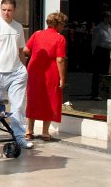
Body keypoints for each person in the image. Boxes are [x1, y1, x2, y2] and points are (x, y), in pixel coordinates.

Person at [0, 0, 32, 149]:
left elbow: (20, 51)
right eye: (4, 10)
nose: (6, 13)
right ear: (0, 9)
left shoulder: (18, 27)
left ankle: (19, 137)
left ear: (14, 10)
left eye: (9, 10)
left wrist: (25, 69)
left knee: (17, 107)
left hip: (16, 72)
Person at [24, 12, 68, 141]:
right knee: (50, 98)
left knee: (33, 98)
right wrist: (62, 78)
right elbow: (60, 59)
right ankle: (45, 132)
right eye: (63, 24)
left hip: (34, 71)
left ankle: (29, 130)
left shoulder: (37, 34)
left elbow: (26, 50)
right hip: (50, 72)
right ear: (58, 24)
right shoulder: (60, 38)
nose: (63, 27)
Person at [90, 11, 111, 101]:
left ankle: (104, 92)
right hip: (100, 51)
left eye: (109, 17)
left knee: (105, 72)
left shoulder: (109, 27)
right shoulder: (99, 28)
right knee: (97, 73)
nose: (109, 18)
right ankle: (95, 93)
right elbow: (94, 42)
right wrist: (93, 53)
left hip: (107, 51)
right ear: (104, 18)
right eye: (107, 17)